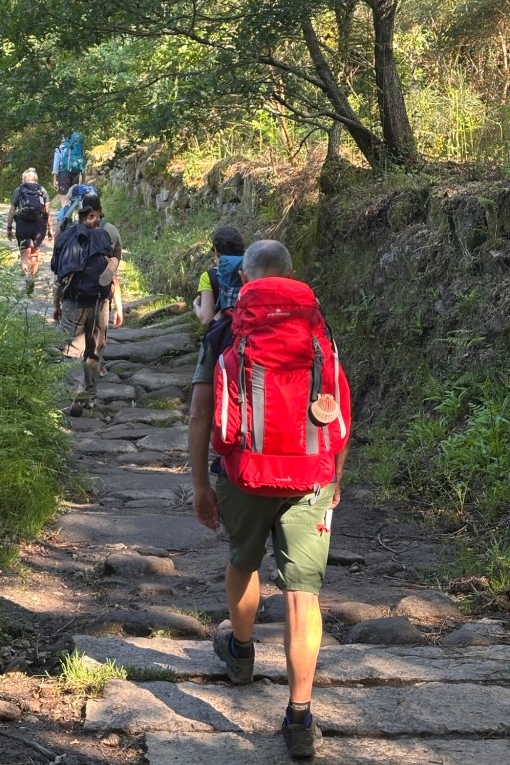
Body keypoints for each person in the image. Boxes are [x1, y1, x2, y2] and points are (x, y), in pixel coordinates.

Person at [188, 239, 351, 761]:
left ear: (245, 278)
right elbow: (337, 405)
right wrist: (336, 475)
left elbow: (200, 413)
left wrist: (200, 484)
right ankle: (300, 717)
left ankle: (240, 653)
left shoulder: (225, 330)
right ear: (291, 273)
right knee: (304, 594)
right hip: (310, 474)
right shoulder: (317, 328)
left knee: (244, 560)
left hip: (245, 472)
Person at [53, 193, 123, 414]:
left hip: (73, 300)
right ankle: (91, 398)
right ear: (99, 212)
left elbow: (58, 271)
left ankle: (76, 393)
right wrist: (117, 304)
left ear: (81, 212)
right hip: (99, 301)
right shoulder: (108, 233)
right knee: (94, 349)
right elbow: (114, 267)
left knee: (72, 349)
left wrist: (56, 303)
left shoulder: (68, 234)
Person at [6, 168, 52, 296]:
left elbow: (12, 210)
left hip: (23, 225)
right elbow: (47, 211)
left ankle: (28, 277)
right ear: (36, 179)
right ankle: (33, 277)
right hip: (39, 226)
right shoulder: (42, 191)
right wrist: (50, 229)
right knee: (34, 255)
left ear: (23, 180)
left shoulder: (19, 190)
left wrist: (9, 227)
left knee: (25, 255)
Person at [193, 225, 246, 327]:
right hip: (251, 328)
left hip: (226, 331)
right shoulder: (252, 269)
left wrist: (195, 305)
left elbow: (206, 319)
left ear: (217, 251)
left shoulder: (208, 276)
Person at [52, 132, 87, 205]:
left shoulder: (62, 146)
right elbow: (83, 163)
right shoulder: (80, 148)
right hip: (76, 172)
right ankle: (71, 210)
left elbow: (56, 162)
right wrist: (83, 180)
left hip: (64, 171)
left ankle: (64, 210)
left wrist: (55, 178)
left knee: (63, 194)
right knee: (72, 194)